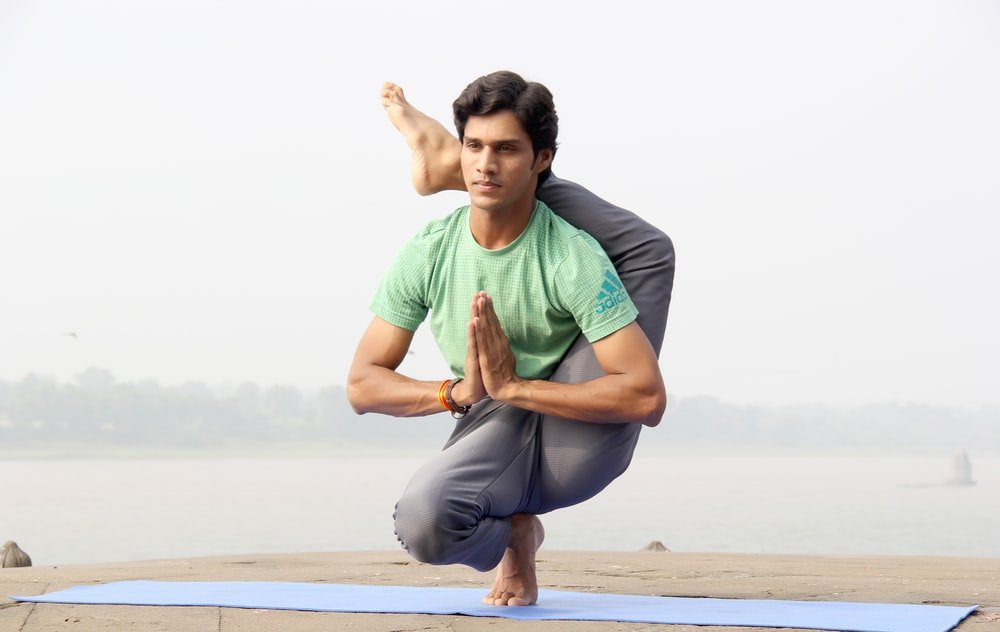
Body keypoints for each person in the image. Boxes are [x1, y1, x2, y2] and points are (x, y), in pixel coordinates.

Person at [347, 71, 675, 607]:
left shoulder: (573, 255)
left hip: (577, 440)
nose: (485, 163)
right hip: (493, 413)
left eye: (506, 149)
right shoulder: (430, 250)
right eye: (471, 148)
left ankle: (442, 163)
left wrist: (516, 386)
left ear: (543, 159)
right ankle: (516, 538)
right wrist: (457, 393)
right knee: (423, 521)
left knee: (648, 253)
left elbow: (646, 398)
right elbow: (362, 385)